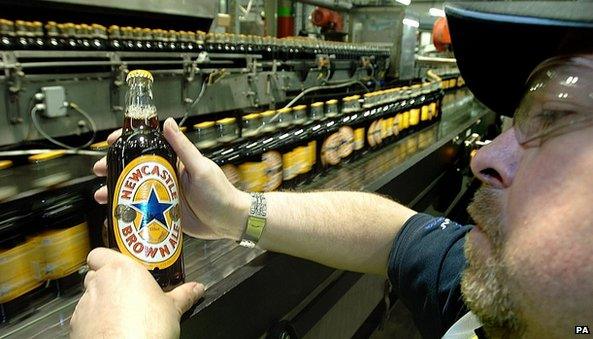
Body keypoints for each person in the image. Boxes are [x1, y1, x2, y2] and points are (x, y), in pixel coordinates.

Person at [70, 2, 593, 339]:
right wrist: (231, 210)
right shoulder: (514, 303)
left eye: (557, 116)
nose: (485, 157)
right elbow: (395, 237)